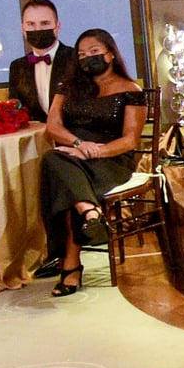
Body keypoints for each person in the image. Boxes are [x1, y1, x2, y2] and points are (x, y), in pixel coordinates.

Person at [41, 29, 145, 299]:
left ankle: (72, 265)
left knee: (68, 182)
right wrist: (78, 145)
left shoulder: (130, 90)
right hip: (73, 153)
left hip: (111, 158)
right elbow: (52, 126)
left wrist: (95, 152)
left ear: (110, 53)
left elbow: (130, 140)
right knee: (55, 159)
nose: (88, 58)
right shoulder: (68, 86)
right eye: (82, 54)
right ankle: (89, 212)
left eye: (94, 52)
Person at [7, 0, 73, 124]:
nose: (38, 29)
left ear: (57, 26)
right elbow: (15, 110)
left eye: (45, 23)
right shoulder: (17, 66)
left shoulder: (75, 59)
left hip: (74, 139)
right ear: (23, 29)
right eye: (31, 24)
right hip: (35, 140)